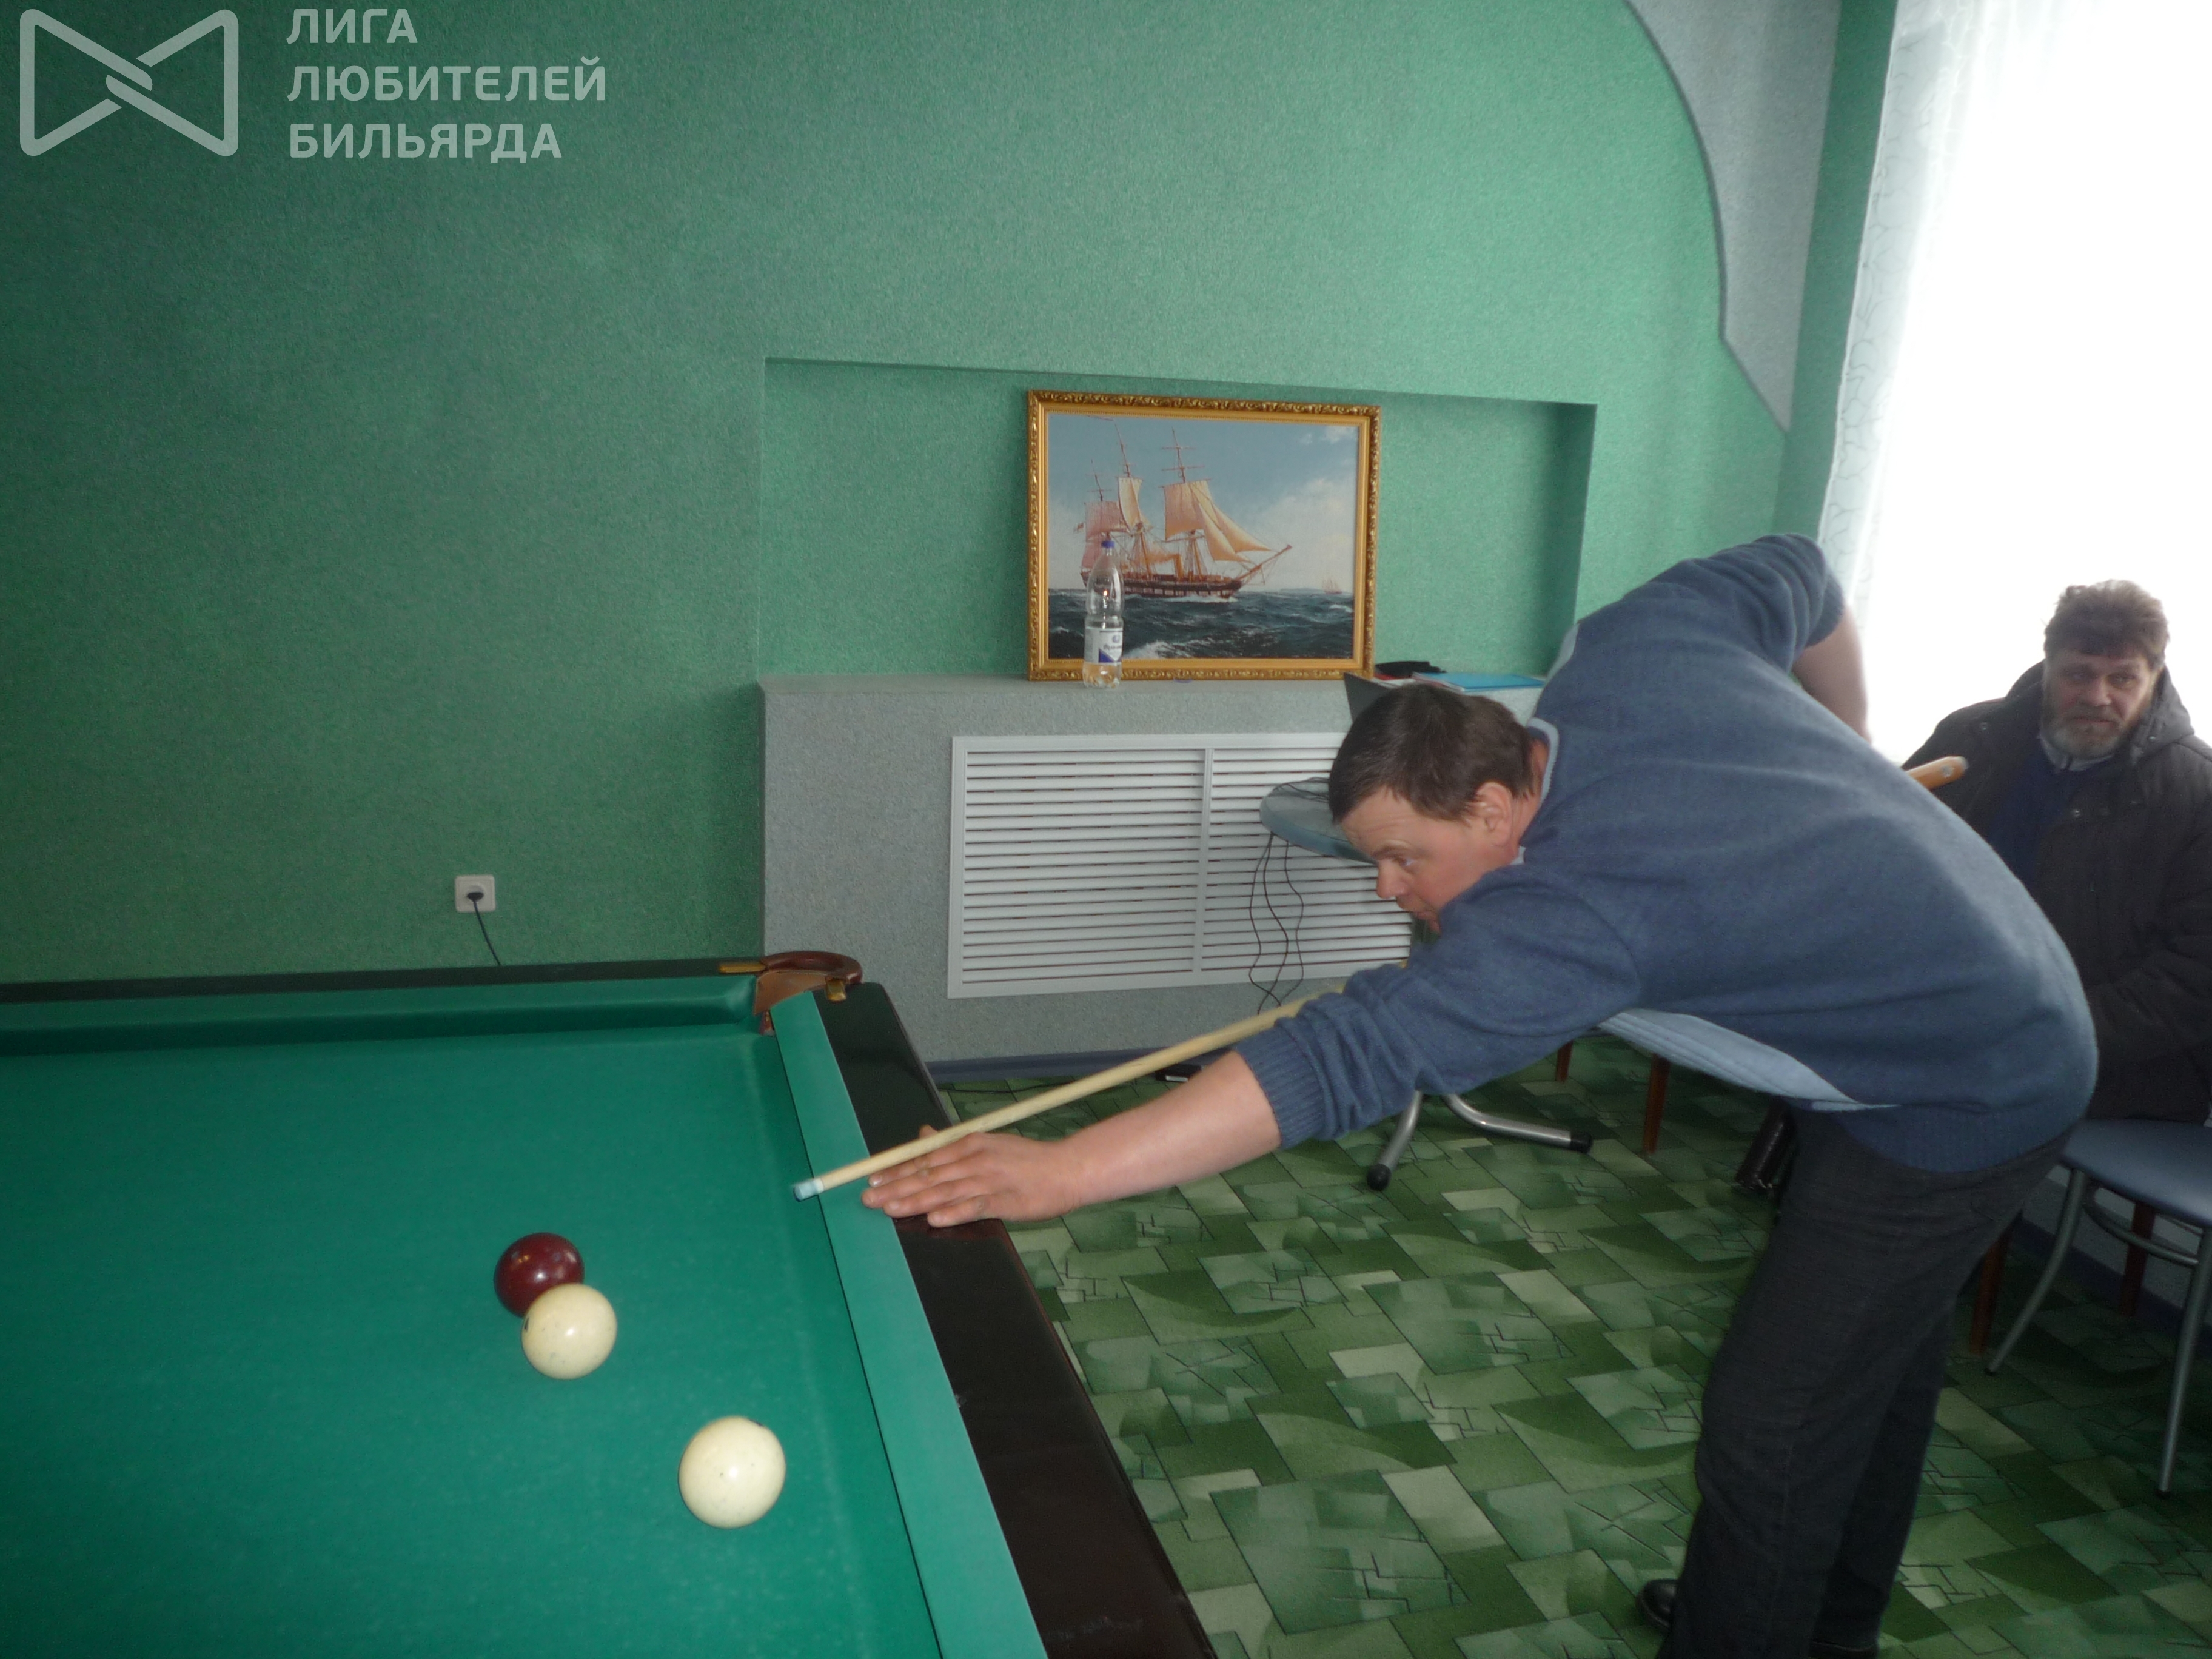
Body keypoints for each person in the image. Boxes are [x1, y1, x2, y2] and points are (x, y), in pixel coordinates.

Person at [866, 535, 2094, 1659]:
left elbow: (1338, 1059)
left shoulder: (1573, 919)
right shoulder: (1625, 651)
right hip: (1965, 993)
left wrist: (1063, 1169)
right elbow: (1797, 570)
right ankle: (1810, 1624)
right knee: (1860, 1370)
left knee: (1773, 1418)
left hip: (1968, 1084)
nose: (1388, 889)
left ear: (1497, 804)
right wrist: (1854, 738)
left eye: (1403, 858)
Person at [1908, 581, 2212, 1124]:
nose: (2098, 697)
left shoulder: (2199, 794)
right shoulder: (1971, 738)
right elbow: (1888, 868)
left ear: (2155, 678)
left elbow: (2196, 977)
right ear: (2047, 667)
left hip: (2101, 1065)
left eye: (2122, 679)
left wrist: (2044, 1036)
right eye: (2078, 675)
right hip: (1939, 1015)